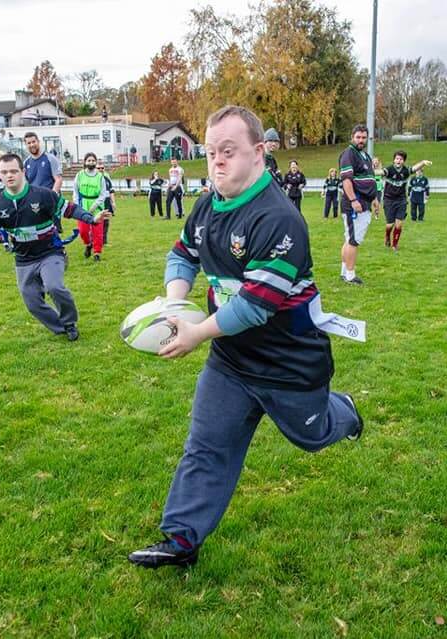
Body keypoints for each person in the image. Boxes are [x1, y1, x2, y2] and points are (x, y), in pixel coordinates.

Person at [127, 105, 364, 569]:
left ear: (258, 154)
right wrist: (175, 304)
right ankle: (181, 540)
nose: (216, 161)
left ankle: (346, 410)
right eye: (211, 152)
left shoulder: (279, 218)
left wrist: (196, 333)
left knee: (312, 439)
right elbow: (182, 255)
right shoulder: (205, 204)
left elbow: (255, 306)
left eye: (228, 151)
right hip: (231, 361)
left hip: (290, 364)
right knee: (206, 444)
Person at [0, 153, 107, 339]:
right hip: (24, 259)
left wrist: (91, 218)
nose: (9, 175)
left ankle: (70, 323)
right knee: (32, 303)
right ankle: (61, 327)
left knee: (54, 286)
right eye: (4, 172)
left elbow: (70, 209)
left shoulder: (43, 195)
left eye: (14, 171)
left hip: (50, 253)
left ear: (23, 172)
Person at [338, 125, 376, 285]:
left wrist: (374, 199)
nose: (361, 140)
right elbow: (347, 180)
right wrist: (353, 200)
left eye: (363, 137)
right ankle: (350, 275)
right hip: (355, 204)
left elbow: (370, 179)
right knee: (354, 240)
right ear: (352, 137)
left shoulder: (365, 155)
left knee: (349, 239)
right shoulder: (349, 154)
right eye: (358, 137)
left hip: (365, 202)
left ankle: (344, 271)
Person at [381, 151, 432, 252]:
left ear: (403, 161)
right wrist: (369, 170)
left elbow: (414, 168)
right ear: (393, 160)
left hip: (401, 200)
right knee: (390, 224)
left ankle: (395, 245)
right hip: (389, 199)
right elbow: (380, 172)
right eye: (397, 158)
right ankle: (387, 236)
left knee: (399, 224)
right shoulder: (389, 169)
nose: (398, 161)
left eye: (400, 159)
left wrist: (423, 162)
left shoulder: (406, 171)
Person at [73, 153, 109, 261]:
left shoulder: (100, 177)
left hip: (97, 206)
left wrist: (94, 206)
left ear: (96, 162)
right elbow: (75, 191)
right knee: (83, 230)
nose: (91, 162)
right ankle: (88, 244)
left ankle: (97, 253)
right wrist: (77, 205)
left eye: (93, 161)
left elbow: (103, 194)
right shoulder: (79, 175)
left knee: (97, 231)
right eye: (89, 160)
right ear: (85, 162)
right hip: (83, 205)